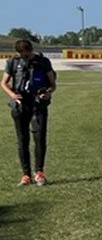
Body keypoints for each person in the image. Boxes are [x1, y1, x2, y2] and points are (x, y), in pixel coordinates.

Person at [3, 39, 57, 186]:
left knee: (39, 139)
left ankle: (39, 172)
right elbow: (4, 83)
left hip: (38, 105)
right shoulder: (13, 62)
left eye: (27, 54)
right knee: (22, 140)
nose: (24, 57)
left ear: (31, 50)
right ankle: (25, 175)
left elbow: (53, 84)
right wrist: (12, 95)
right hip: (20, 106)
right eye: (21, 54)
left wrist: (48, 93)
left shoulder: (43, 62)